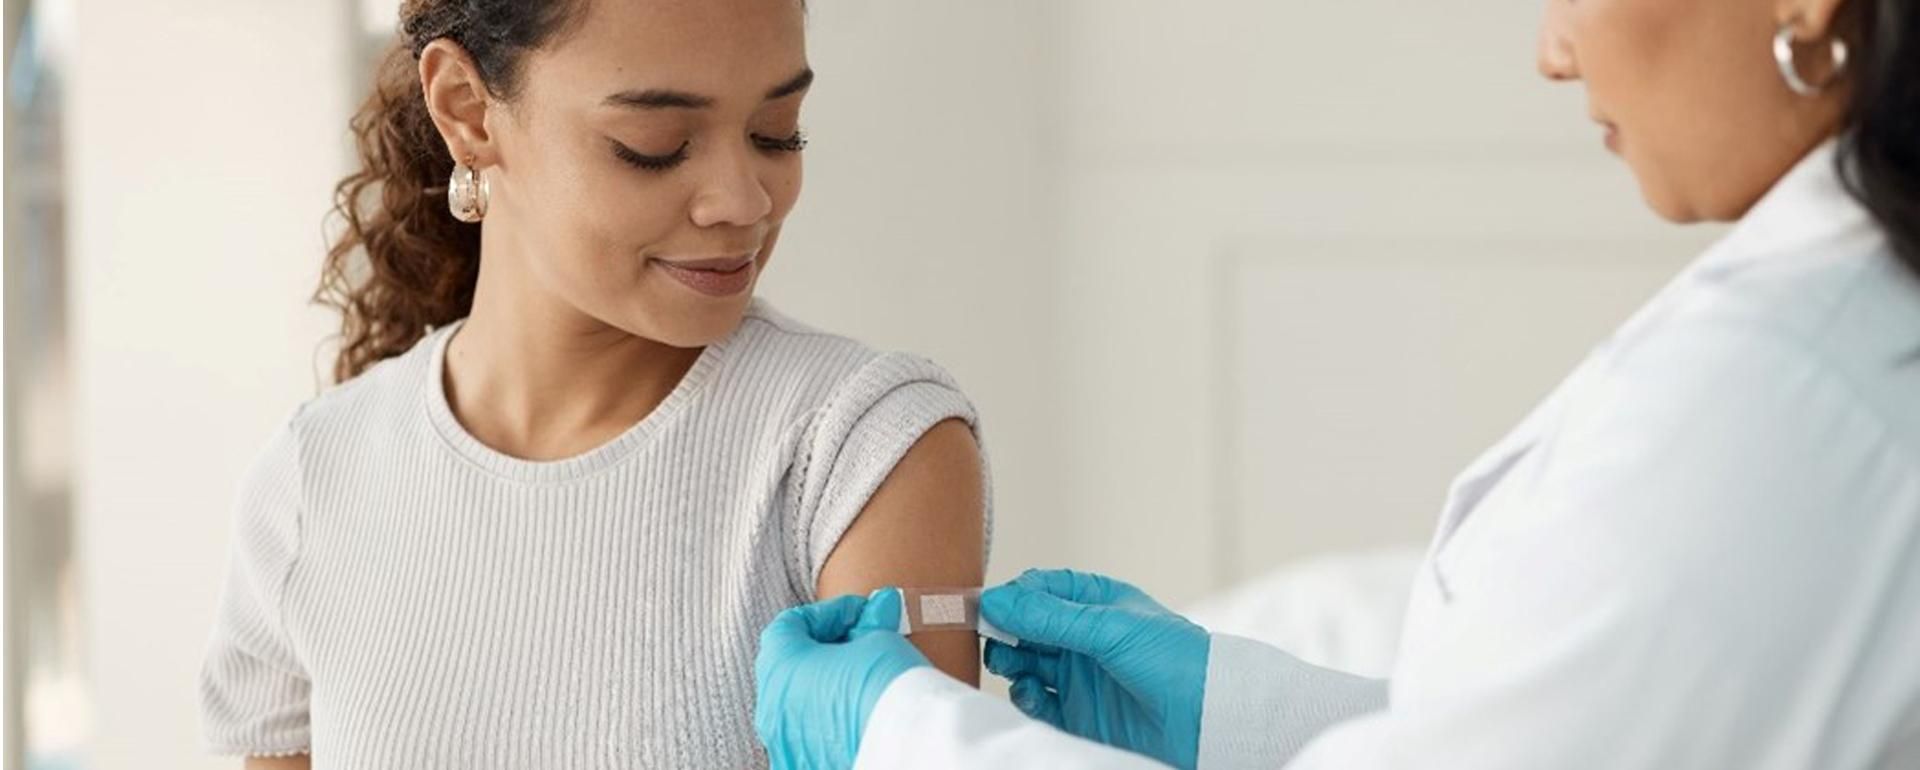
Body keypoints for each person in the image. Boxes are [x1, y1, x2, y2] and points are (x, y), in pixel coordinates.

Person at [753, 0, 1920, 766]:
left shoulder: (1788, 398)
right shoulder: (1828, 341)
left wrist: (905, 735)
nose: (1552, 50)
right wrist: (1238, 714)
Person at [198, 1, 990, 767]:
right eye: (656, 143)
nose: (743, 201)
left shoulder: (859, 452)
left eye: (776, 134)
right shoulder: (312, 482)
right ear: (468, 110)